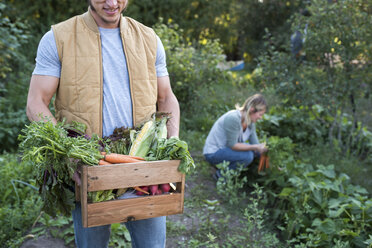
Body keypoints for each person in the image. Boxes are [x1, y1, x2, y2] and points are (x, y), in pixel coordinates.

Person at [26, 0, 180, 247]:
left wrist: (171, 142)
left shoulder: (149, 38)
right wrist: (70, 152)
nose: (111, 3)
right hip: (89, 165)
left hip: (143, 165)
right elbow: (36, 102)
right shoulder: (59, 37)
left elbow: (166, 97)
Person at [203, 94, 267, 179]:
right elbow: (232, 145)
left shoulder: (250, 123)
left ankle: (226, 168)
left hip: (227, 151)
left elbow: (256, 145)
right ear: (252, 110)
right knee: (248, 156)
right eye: (260, 114)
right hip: (213, 152)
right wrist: (255, 147)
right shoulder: (233, 118)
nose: (261, 117)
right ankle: (221, 176)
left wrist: (269, 159)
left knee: (254, 152)